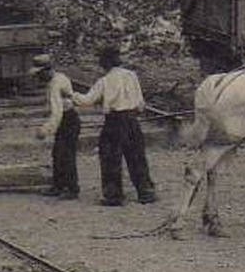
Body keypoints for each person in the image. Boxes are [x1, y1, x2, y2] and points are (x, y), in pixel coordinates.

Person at [71, 44, 157, 206]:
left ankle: (113, 195)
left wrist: (71, 94)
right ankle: (145, 192)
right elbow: (140, 103)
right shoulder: (131, 75)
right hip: (132, 120)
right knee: (137, 156)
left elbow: (87, 100)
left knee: (110, 157)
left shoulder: (104, 81)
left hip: (114, 122)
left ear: (105, 63)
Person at [33, 53, 79, 199]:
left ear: (47, 70)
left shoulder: (55, 84)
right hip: (65, 120)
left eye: (39, 74)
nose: (38, 78)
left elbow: (57, 112)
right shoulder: (58, 78)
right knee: (58, 154)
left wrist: (45, 130)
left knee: (66, 155)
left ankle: (72, 189)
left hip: (68, 120)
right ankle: (58, 186)